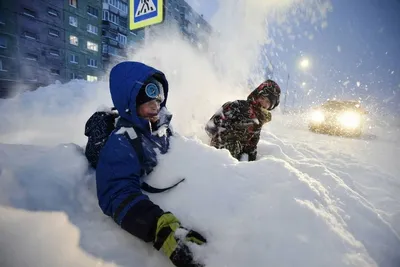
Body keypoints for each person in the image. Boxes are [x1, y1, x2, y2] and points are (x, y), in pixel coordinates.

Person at [92, 61, 206, 267]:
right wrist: (161, 230)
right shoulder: (121, 141)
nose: (156, 105)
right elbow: (117, 193)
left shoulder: (161, 126)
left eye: (159, 99)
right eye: (147, 100)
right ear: (131, 102)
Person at [205, 80, 281, 161]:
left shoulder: (259, 120)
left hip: (234, 158)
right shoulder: (240, 106)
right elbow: (213, 127)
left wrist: (252, 162)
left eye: (268, 102)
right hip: (220, 154)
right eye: (262, 98)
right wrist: (233, 129)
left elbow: (252, 145)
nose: (263, 103)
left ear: (271, 106)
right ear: (257, 96)